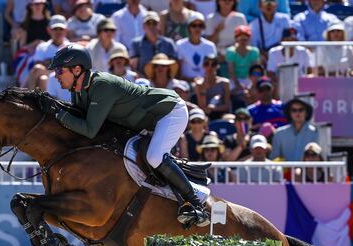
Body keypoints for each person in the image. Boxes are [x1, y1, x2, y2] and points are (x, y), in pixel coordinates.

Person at [41, 45, 209, 226]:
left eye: (59, 70)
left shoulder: (101, 85)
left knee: (154, 157)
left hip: (169, 111)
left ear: (76, 69)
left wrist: (57, 113)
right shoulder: (78, 91)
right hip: (147, 120)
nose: (56, 75)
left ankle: (195, 203)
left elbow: (89, 130)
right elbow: (78, 121)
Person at [24, 15, 70, 89]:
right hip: (49, 75)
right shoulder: (42, 46)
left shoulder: (72, 47)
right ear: (49, 30)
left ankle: (27, 96)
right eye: (55, 29)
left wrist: (49, 62)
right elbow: (38, 65)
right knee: (42, 78)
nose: (58, 32)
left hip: (66, 77)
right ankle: (29, 96)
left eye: (61, 29)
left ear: (66, 30)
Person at [176, 13, 218, 82]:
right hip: (185, 84)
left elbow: (213, 69)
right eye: (194, 25)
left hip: (206, 84)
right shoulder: (180, 44)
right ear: (189, 27)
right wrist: (191, 80)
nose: (197, 28)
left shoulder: (210, 46)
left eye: (200, 25)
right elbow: (178, 71)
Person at [225, 25, 261, 90]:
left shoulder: (254, 52)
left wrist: (253, 84)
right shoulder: (231, 52)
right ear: (236, 39)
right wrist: (237, 84)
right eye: (241, 39)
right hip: (235, 80)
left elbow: (255, 69)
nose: (243, 42)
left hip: (249, 79)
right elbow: (231, 71)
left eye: (245, 39)